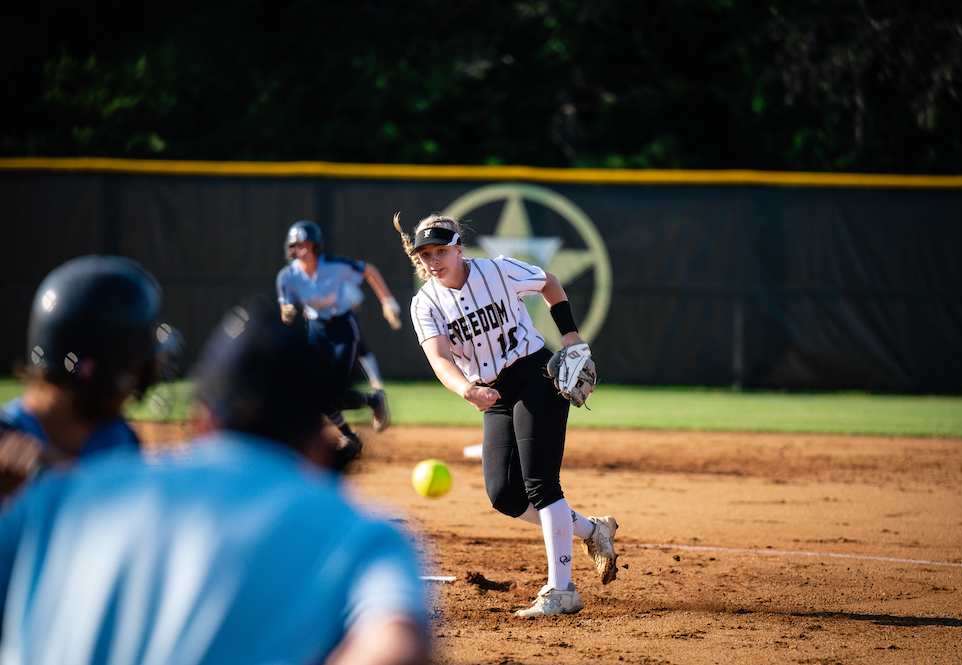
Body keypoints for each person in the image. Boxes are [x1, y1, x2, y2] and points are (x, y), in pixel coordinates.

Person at [0, 297, 430, 665]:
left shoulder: (64, 498)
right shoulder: (361, 533)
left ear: (201, 419)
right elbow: (395, 646)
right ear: (320, 442)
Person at [394, 212, 619, 617]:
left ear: (459, 248)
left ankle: (562, 589)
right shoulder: (424, 303)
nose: (432, 260)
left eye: (440, 250)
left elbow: (549, 282)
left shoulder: (497, 272)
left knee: (540, 483)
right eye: (424, 254)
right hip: (491, 391)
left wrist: (569, 333)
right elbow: (440, 359)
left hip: (534, 373)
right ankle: (593, 529)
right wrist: (467, 389)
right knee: (504, 495)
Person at [0, 255, 178, 499]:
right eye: (132, 372)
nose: (134, 388)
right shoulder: (6, 438)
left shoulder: (117, 439)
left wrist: (53, 474)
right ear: (101, 373)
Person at [277, 221, 399, 455]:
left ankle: (375, 402)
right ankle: (350, 436)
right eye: (296, 246)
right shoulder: (287, 276)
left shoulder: (334, 266)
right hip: (315, 330)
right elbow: (286, 313)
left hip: (343, 328)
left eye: (305, 245)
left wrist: (388, 301)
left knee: (337, 396)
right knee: (318, 395)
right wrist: (287, 313)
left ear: (316, 247)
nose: (300, 251)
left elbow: (369, 270)